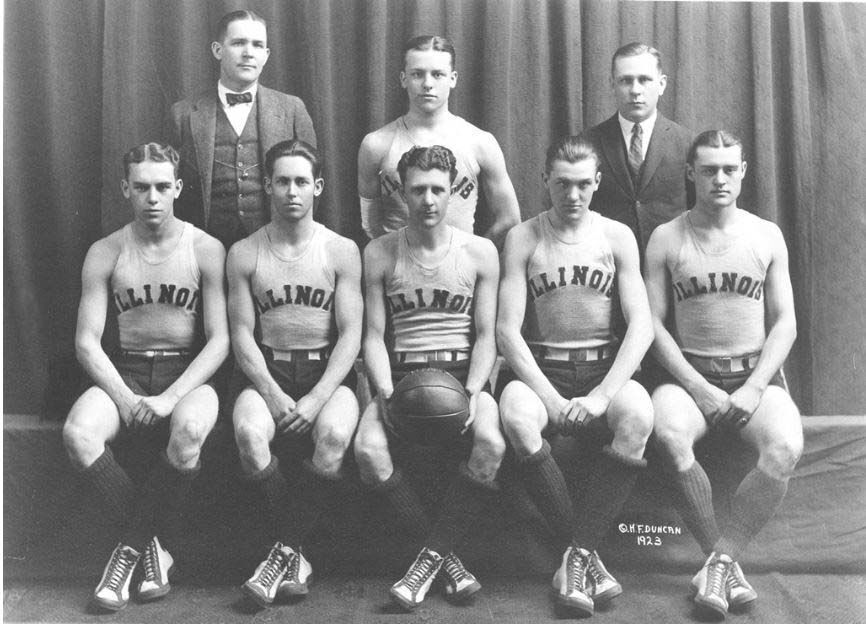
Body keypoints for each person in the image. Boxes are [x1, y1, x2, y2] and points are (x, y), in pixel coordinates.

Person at [62, 143, 229, 611]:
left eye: (161, 187)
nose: (152, 197)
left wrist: (171, 399)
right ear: (125, 189)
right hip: (128, 371)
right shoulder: (106, 251)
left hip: (187, 374)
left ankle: (127, 552)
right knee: (78, 433)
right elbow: (86, 341)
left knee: (191, 429)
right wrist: (124, 396)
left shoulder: (206, 249)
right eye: (141, 188)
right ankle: (152, 548)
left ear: (177, 188)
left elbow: (219, 341)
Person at [644, 130, 803, 618]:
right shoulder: (666, 236)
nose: (720, 179)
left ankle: (719, 561)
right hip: (690, 375)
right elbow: (650, 324)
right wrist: (698, 387)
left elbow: (786, 322)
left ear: (743, 172)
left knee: (785, 447)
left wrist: (755, 386)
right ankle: (723, 561)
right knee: (669, 433)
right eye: (709, 169)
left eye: (729, 169)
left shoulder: (764, 234)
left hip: (754, 374)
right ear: (691, 173)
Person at [496, 135, 654, 617]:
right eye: (563, 184)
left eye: (584, 185)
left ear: (598, 183)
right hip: (542, 367)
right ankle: (584, 553)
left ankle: (576, 555)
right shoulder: (523, 236)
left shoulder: (616, 235)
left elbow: (642, 325)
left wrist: (604, 397)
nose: (573, 196)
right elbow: (506, 330)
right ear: (545, 180)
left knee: (639, 418)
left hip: (602, 367)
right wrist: (549, 399)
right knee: (519, 418)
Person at [353, 145, 504, 610]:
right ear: (401, 191)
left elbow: (485, 336)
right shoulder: (378, 252)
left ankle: (428, 559)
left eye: (438, 189)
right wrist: (384, 393)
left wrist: (476, 392)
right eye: (418, 189)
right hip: (402, 374)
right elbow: (374, 336)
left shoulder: (480, 252)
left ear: (454, 190)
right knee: (367, 449)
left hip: (462, 374)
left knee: (493, 445)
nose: (429, 200)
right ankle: (444, 556)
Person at [226, 140, 363, 608]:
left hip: (327, 374)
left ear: (318, 188)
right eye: (281, 181)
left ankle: (281, 552)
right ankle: (294, 551)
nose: (291, 191)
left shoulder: (341, 250)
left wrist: (317, 397)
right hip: (269, 371)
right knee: (248, 432)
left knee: (334, 437)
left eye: (301, 181)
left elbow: (350, 335)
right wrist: (272, 391)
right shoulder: (245, 252)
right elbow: (242, 333)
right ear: (267, 185)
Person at [167, 9, 317, 250]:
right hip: (203, 251)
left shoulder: (292, 109)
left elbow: (310, 185)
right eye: (238, 43)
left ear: (266, 55)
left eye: (258, 45)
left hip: (274, 250)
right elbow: (167, 189)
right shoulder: (183, 114)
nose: (249, 53)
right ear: (217, 50)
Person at [357, 35, 520, 249]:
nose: (427, 84)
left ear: (452, 79)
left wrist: (472, 256)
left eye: (437, 74)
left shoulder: (479, 143)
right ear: (403, 78)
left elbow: (510, 219)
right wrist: (391, 256)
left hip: (460, 275)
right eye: (417, 74)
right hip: (397, 271)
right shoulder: (376, 144)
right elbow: (370, 222)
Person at [585, 42, 693, 258]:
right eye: (625, 80)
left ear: (661, 85)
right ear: (612, 85)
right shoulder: (587, 143)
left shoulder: (688, 143)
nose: (635, 90)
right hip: (608, 267)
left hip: (672, 267)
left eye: (644, 80)